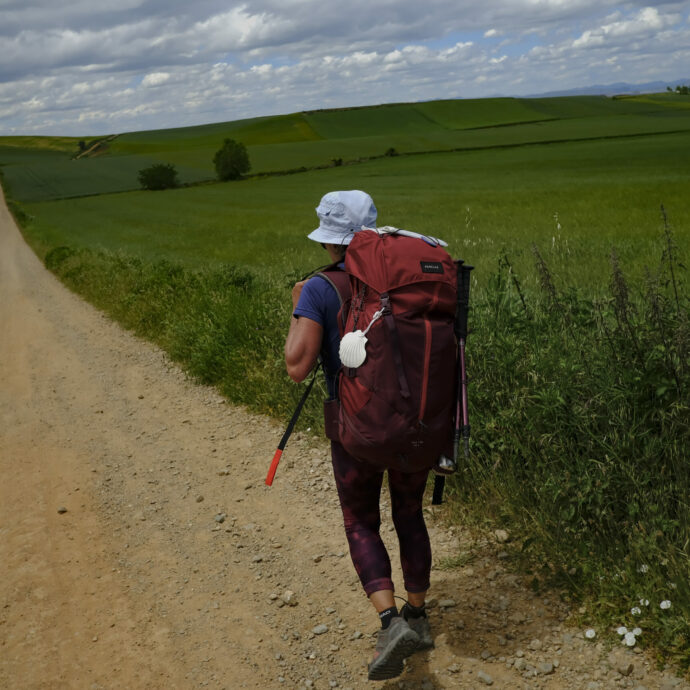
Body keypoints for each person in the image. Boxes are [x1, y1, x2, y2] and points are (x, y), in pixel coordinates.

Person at [284, 190, 434, 681]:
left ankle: (390, 623)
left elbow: (297, 367)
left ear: (330, 243)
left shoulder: (319, 288)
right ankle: (418, 614)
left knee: (361, 521)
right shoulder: (404, 280)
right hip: (416, 422)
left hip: (357, 430)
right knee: (408, 512)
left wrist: (298, 308)